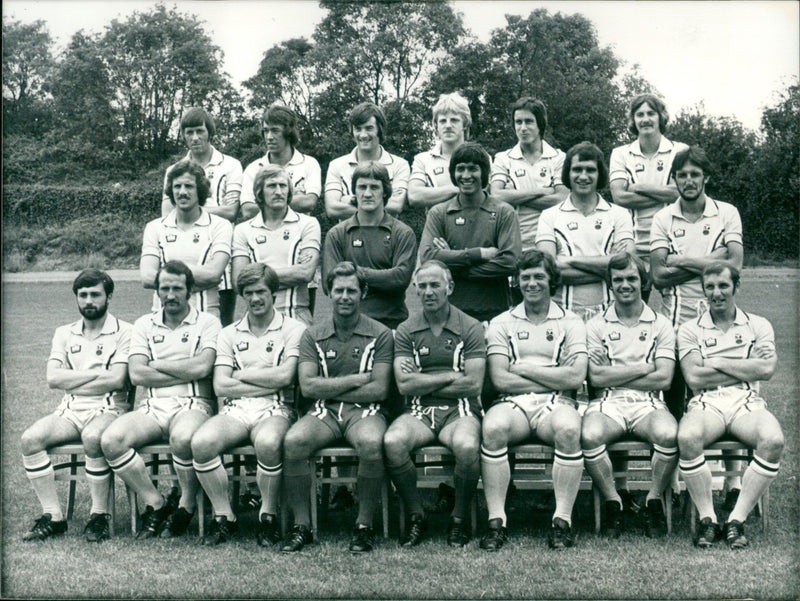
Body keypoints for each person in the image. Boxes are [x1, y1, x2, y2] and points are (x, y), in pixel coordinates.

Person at [650, 145, 745, 501]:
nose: (688, 181)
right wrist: (711, 260)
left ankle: (734, 484)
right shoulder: (663, 218)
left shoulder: (727, 213)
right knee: (673, 401)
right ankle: (673, 483)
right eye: (682, 175)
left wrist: (683, 260)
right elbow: (659, 275)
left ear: (706, 177)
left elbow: (734, 265)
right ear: (673, 179)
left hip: (720, 320)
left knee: (728, 396)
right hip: (675, 322)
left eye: (695, 174)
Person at [280, 262, 394, 554]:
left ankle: (363, 525)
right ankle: (302, 526)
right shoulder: (312, 334)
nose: (345, 296)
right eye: (339, 290)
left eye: (351, 291)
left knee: (371, 442)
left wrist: (330, 384)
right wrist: (357, 379)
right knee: (294, 441)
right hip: (324, 411)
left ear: (363, 293)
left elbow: (379, 389)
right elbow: (308, 387)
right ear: (329, 293)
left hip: (365, 410)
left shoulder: (380, 334)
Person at [101, 261, 220, 539]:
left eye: (177, 288)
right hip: (152, 406)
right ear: (157, 291)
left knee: (182, 437)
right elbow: (137, 373)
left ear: (189, 290)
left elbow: (203, 369)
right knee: (111, 441)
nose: (170, 294)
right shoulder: (144, 323)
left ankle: (186, 504)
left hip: (194, 403)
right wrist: (183, 367)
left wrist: (157, 363)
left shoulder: (208, 322)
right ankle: (155, 502)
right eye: (164, 288)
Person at [189, 263, 306, 545]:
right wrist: (266, 379)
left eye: (261, 292)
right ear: (242, 295)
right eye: (249, 293)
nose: (255, 299)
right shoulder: (229, 333)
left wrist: (240, 375)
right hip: (236, 409)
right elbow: (220, 385)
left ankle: (268, 516)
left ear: (274, 294)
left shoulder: (293, 328)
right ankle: (224, 516)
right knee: (202, 443)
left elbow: (286, 376)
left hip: (277, 408)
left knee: (267, 442)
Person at [479, 250, 587, 551]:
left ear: (551, 279)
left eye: (539, 276)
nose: (532, 283)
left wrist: (524, 368)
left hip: (556, 402)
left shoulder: (572, 321)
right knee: (493, 427)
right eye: (525, 277)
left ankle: (562, 521)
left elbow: (575, 378)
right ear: (516, 281)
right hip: (513, 402)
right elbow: (500, 379)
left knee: (568, 429)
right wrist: (552, 373)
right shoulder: (502, 322)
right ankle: (496, 521)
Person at [21, 269, 132, 543]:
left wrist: (70, 380)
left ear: (109, 297)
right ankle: (53, 517)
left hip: (110, 409)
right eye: (83, 295)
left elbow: (118, 380)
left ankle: (98, 516)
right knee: (30, 439)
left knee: (93, 437)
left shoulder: (126, 331)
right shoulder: (64, 332)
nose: (89, 300)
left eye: (95, 294)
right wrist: (96, 377)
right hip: (70, 410)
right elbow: (52, 378)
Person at [677, 263, 782, 549]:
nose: (717, 293)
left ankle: (736, 520)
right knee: (687, 437)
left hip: (745, 400)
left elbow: (767, 370)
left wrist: (716, 361)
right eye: (709, 287)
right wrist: (747, 364)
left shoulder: (758, 324)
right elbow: (694, 376)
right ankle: (708, 519)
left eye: (723, 286)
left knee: (772, 440)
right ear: (703, 290)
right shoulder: (689, 329)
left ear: (736, 286)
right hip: (706, 400)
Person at [384, 260, 486, 548]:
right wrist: (451, 376)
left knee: (467, 446)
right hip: (419, 410)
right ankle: (417, 515)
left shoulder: (470, 326)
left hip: (461, 409)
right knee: (393, 441)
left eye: (435, 285)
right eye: (423, 286)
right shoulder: (406, 330)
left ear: (449, 287)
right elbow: (405, 385)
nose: (429, 292)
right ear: (415, 290)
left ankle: (459, 517)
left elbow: (473, 384)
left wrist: (424, 378)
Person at [582, 253, 678, 538]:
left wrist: (619, 371)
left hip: (648, 402)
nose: (625, 285)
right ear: (610, 285)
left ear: (643, 281)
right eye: (618, 280)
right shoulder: (595, 324)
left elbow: (665, 378)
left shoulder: (660, 324)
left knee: (670, 435)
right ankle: (614, 502)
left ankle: (653, 500)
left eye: (631, 278)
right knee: (589, 435)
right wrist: (644, 367)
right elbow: (597, 378)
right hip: (608, 401)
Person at [418, 142, 521, 324]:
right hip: (450, 312)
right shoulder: (438, 212)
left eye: (473, 169)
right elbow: (428, 258)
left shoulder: (504, 212)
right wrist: (478, 254)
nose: (466, 176)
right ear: (453, 173)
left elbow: (510, 262)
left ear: (484, 173)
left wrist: (453, 267)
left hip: (495, 312)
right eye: (460, 169)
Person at [160, 107, 243, 326]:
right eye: (189, 132)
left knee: (222, 325)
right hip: (181, 253)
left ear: (210, 132)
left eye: (200, 131)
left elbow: (231, 211)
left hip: (219, 255)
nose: (195, 138)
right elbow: (166, 214)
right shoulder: (174, 170)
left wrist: (192, 210)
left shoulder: (231, 165)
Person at [536, 141, 635, 322]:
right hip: (561, 318)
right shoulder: (549, 215)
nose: (583, 176)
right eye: (577, 169)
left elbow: (626, 267)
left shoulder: (619, 214)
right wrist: (607, 267)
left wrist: (569, 260)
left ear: (600, 174)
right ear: (567, 173)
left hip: (611, 318)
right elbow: (548, 272)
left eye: (590, 170)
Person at [323, 161, 416, 330]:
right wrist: (382, 278)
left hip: (391, 324)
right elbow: (330, 283)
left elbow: (400, 279)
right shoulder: (337, 234)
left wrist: (355, 273)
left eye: (374, 187)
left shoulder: (403, 233)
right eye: (362, 187)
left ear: (385, 192)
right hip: (347, 327)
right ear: (354, 191)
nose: (367, 193)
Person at [142, 159, 233, 320]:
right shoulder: (154, 227)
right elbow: (147, 277)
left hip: (206, 319)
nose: (182, 192)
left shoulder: (220, 226)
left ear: (201, 190)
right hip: (161, 321)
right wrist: (196, 278)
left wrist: (165, 275)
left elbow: (213, 274)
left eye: (189, 186)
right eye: (177, 186)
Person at [232, 165, 321, 326]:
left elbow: (306, 273)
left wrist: (255, 274)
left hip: (297, 316)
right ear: (260, 192)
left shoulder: (308, 224)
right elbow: (239, 281)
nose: (279, 192)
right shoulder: (243, 230)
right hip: (255, 320)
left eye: (283, 186)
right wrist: (291, 272)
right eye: (272, 186)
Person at [609, 95, 688, 273]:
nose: (645, 119)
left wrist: (638, 187)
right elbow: (620, 197)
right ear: (633, 120)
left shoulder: (680, 150)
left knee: (676, 300)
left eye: (651, 113)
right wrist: (666, 193)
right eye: (639, 114)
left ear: (661, 117)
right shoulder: (620, 153)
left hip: (673, 244)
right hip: (633, 246)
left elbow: (682, 192)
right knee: (632, 300)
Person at [491, 97, 568, 254]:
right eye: (518, 122)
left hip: (553, 242)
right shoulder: (503, 158)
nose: (523, 128)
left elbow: (562, 200)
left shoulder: (559, 158)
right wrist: (542, 191)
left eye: (529, 121)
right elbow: (496, 196)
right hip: (515, 242)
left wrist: (514, 196)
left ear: (540, 124)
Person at [324, 102, 410, 220]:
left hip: (388, 236)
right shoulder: (336, 165)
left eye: (369, 128)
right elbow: (332, 209)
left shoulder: (399, 165)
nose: (363, 135)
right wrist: (379, 203)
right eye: (358, 129)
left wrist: (349, 200)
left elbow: (395, 206)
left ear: (380, 130)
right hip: (348, 236)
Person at [240, 103, 321, 220]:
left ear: (289, 133)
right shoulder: (254, 169)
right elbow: (247, 210)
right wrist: (294, 200)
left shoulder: (309, 164)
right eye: (266, 131)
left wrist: (266, 201)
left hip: (299, 233)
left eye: (275, 131)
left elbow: (309, 202)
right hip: (262, 234)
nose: (269, 137)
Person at [407, 92, 470, 210]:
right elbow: (414, 196)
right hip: (437, 227)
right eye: (442, 121)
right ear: (436, 125)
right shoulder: (423, 159)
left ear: (465, 124)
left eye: (454, 120)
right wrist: (459, 189)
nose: (448, 125)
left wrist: (433, 193)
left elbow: (487, 194)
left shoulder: (482, 157)